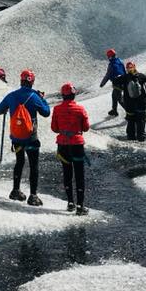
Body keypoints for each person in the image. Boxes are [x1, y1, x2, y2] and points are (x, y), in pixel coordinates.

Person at [0, 69, 50, 206]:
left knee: (19, 162)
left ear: (21, 80)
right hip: (31, 138)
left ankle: (15, 190)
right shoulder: (35, 96)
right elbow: (46, 112)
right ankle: (33, 196)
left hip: (17, 137)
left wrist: (8, 108)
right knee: (33, 165)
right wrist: (43, 99)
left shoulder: (11, 96)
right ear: (32, 82)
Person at [51, 82, 90, 215]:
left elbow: (54, 129)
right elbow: (86, 127)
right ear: (73, 95)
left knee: (67, 173)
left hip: (62, 144)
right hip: (77, 144)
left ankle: (70, 203)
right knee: (79, 175)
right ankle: (80, 206)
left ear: (63, 95)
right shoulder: (80, 109)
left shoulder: (56, 109)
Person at [120, 61, 146, 141]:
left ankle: (131, 137)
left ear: (127, 69)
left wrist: (122, 87)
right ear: (135, 67)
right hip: (141, 103)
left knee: (131, 120)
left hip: (129, 105)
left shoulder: (124, 77)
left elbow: (115, 81)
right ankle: (141, 137)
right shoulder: (141, 76)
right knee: (141, 120)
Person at [99, 48, 126, 116]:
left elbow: (107, 75)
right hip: (122, 82)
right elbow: (124, 71)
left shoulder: (111, 65)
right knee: (114, 96)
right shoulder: (120, 61)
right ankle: (114, 110)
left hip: (117, 84)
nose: (108, 58)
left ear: (110, 56)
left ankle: (131, 113)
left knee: (120, 99)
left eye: (108, 56)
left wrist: (102, 84)